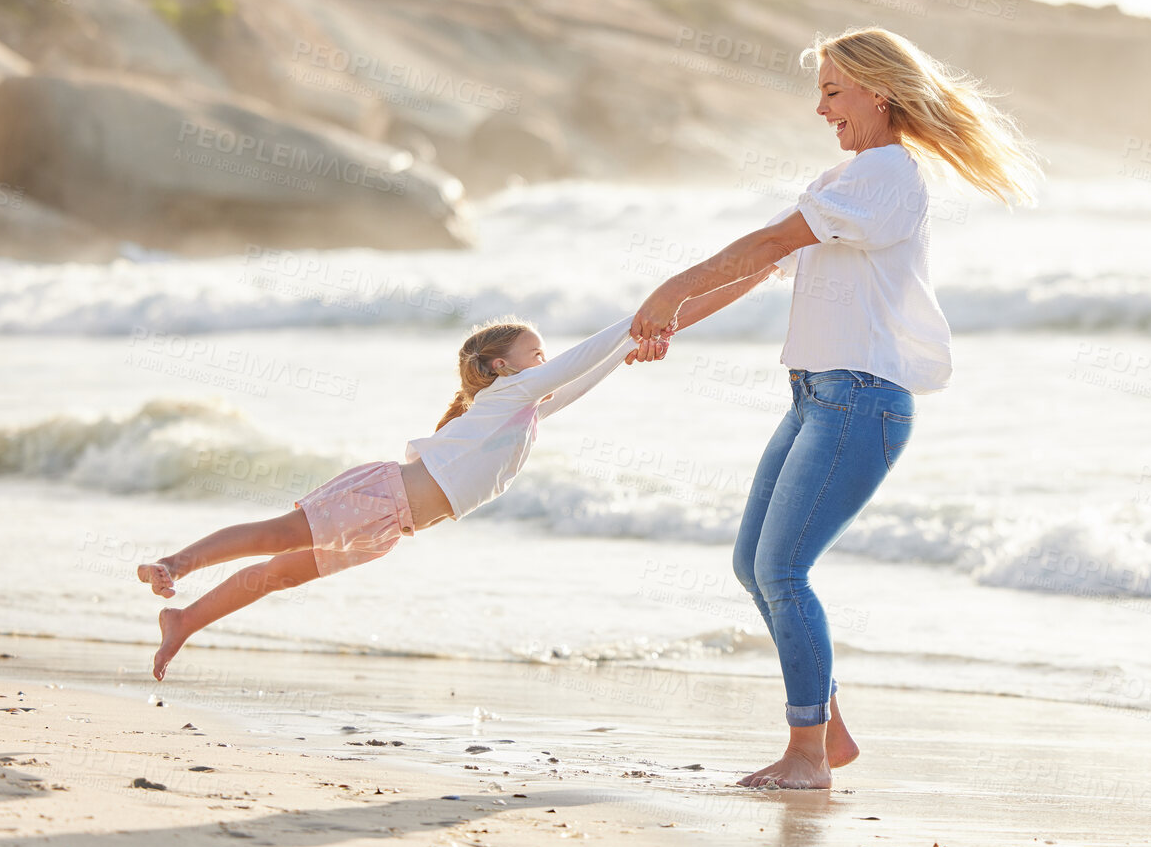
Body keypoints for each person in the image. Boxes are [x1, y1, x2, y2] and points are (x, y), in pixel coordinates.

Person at [630, 27, 1041, 788]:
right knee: (753, 565)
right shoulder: (845, 179)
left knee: (784, 569)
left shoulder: (885, 175)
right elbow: (758, 271)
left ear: (875, 92)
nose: (821, 110)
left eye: (830, 92)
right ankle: (831, 731)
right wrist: (662, 324)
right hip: (813, 396)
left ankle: (806, 755)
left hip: (860, 401)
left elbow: (763, 241)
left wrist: (666, 287)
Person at [137, 278, 752, 680]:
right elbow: (593, 349)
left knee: (277, 574)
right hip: (380, 497)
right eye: (535, 355)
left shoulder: (524, 410)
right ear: (499, 367)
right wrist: (640, 323)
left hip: (389, 526)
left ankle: (184, 622)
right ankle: (176, 563)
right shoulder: (510, 392)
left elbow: (601, 365)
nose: (545, 363)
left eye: (542, 356)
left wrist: (663, 327)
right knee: (275, 538)